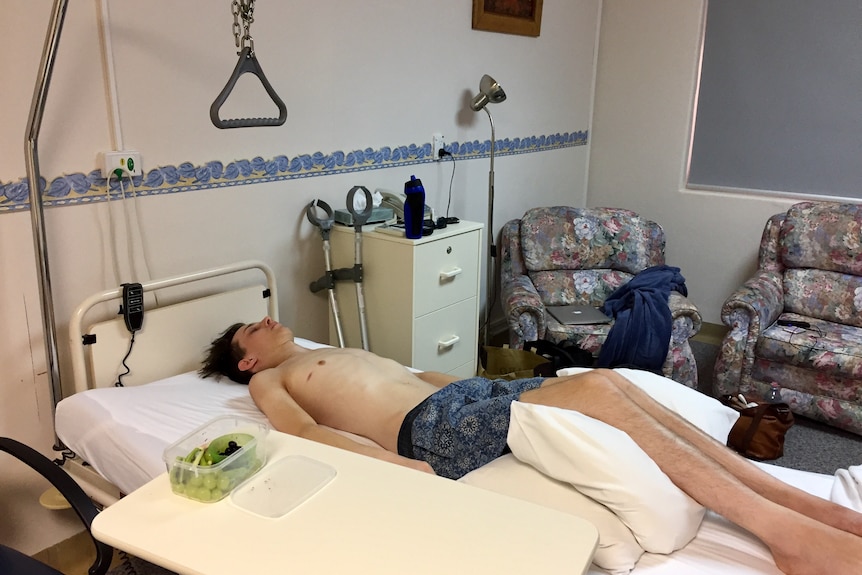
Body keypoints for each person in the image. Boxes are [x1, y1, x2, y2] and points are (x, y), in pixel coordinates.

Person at [200, 316, 862, 575]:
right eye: (246, 332)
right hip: (430, 432)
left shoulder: (326, 347)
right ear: (249, 362)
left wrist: (496, 385)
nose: (263, 320)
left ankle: (788, 500)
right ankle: (787, 530)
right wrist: (399, 469)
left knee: (611, 385)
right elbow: (306, 432)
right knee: (603, 390)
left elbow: (420, 375)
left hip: (457, 397)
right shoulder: (276, 382)